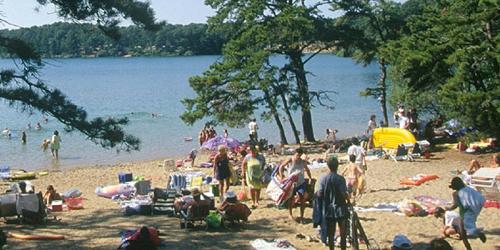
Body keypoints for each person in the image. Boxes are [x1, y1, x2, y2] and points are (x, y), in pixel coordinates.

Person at [314, 156, 349, 250]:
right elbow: (343, 194)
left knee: (330, 233)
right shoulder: (341, 179)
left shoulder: (323, 179)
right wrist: (348, 199)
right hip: (341, 208)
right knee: (343, 234)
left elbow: (319, 193)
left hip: (329, 209)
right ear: (337, 166)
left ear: (328, 166)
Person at [446, 177, 486, 243]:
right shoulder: (468, 189)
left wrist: (448, 208)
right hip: (474, 210)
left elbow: (455, 205)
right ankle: (464, 235)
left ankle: (477, 233)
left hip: (464, 212)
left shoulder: (455, 194)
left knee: (464, 228)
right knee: (469, 224)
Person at [279, 148, 312, 223]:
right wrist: (282, 177)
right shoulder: (290, 159)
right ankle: (290, 214)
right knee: (290, 198)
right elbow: (281, 167)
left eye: (300, 155)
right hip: (291, 182)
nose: (298, 157)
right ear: (295, 153)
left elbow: (307, 169)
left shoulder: (302, 161)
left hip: (301, 182)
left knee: (302, 198)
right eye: (297, 155)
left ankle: (302, 216)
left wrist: (310, 178)